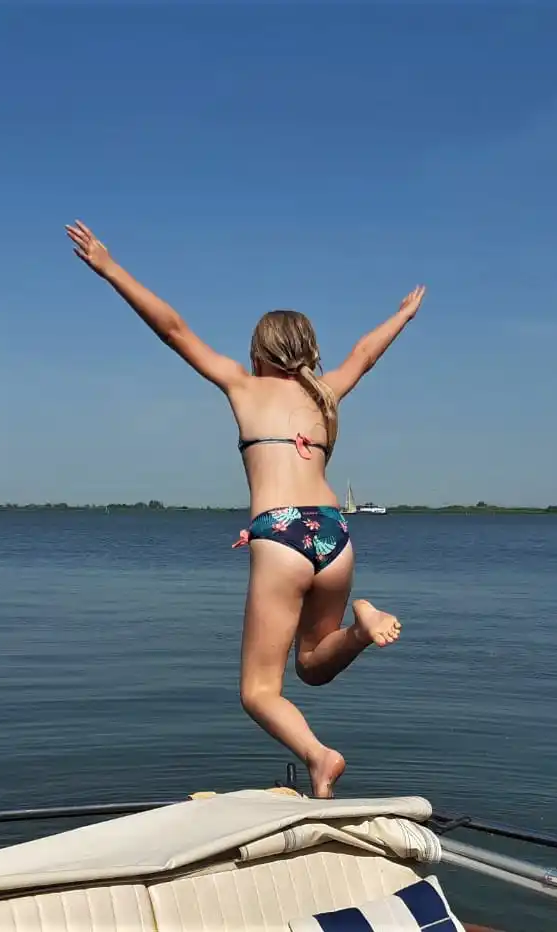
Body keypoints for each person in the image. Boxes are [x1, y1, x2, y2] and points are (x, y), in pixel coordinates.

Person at [65, 220, 421, 798]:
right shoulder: (326, 394)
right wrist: (402, 316)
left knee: (259, 691)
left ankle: (319, 755)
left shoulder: (241, 385)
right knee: (312, 665)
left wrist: (110, 269)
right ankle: (359, 629)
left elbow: (173, 329)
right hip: (335, 535)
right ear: (308, 351)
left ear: (259, 352)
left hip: (280, 535)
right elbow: (365, 353)